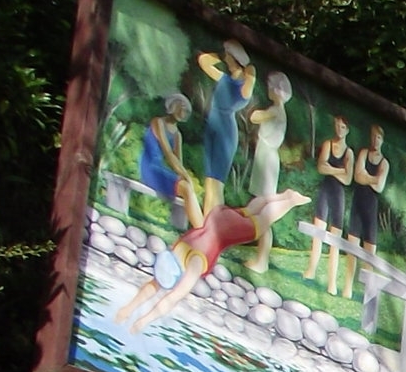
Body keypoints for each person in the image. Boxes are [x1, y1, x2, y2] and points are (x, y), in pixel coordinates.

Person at [117, 187, 311, 334]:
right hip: (218, 217)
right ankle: (282, 195)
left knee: (263, 220)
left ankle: (290, 201)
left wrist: (144, 321)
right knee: (249, 210)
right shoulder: (177, 248)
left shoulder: (194, 264)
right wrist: (128, 308)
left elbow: (172, 298)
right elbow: (154, 285)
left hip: (229, 230)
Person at [194, 39, 254, 214]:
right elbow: (204, 62)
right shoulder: (224, 78)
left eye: (229, 55)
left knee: (217, 184)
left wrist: (244, 63)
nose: (226, 57)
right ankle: (205, 228)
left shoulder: (242, 87)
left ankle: (216, 228)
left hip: (225, 133)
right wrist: (221, 55)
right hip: (211, 128)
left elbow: (251, 74)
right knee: (209, 182)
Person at [245, 72, 293, 270]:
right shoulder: (277, 110)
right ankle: (260, 257)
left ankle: (262, 260)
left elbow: (255, 117)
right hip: (264, 157)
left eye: (270, 86)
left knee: (263, 210)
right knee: (259, 208)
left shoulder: (276, 110)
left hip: (268, 160)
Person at [134, 93, 201, 230]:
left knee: (187, 187)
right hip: (150, 168)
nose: (181, 112)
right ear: (171, 105)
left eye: (184, 110)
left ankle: (200, 229)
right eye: (179, 107)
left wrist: (185, 176)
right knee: (187, 187)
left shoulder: (177, 135)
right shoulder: (158, 122)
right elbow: (168, 154)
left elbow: (178, 162)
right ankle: (201, 230)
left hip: (160, 169)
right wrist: (187, 177)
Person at [340, 122, 390, 299]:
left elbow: (379, 187)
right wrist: (372, 178)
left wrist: (366, 178)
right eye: (373, 136)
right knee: (351, 246)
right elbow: (357, 177)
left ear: (382, 140)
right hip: (358, 203)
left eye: (378, 137)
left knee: (370, 250)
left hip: (371, 208)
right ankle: (347, 287)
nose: (375, 141)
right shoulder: (363, 153)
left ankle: (366, 291)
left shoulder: (384, 163)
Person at [306, 114, 354, 290]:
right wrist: (338, 170)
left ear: (347, 130)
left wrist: (330, 169)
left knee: (335, 239)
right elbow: (321, 167)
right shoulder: (328, 144)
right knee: (317, 232)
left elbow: (348, 179)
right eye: (337, 126)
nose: (339, 130)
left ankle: (332, 283)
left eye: (342, 127)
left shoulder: (349, 153)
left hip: (338, 195)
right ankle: (311, 270)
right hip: (325, 191)